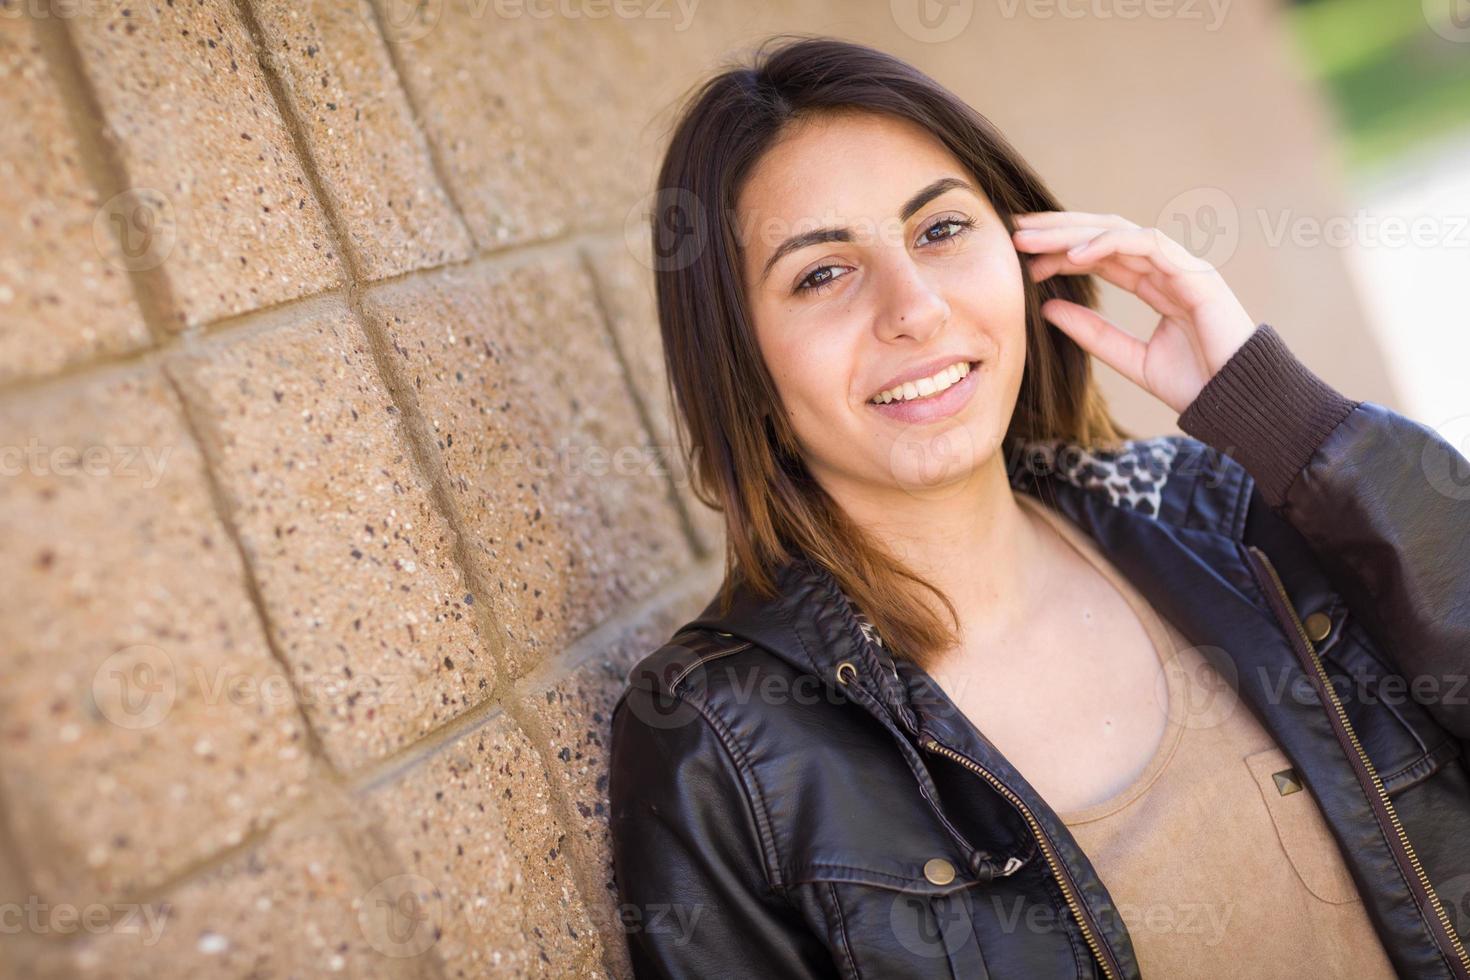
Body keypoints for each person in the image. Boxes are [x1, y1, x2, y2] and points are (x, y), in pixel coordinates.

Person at [608, 33, 1470, 980]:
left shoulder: (1227, 518)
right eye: (821, 273)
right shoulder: (723, 744)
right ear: (742, 363)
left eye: (940, 231)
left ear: (1026, 257)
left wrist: (1284, 420)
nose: (915, 308)